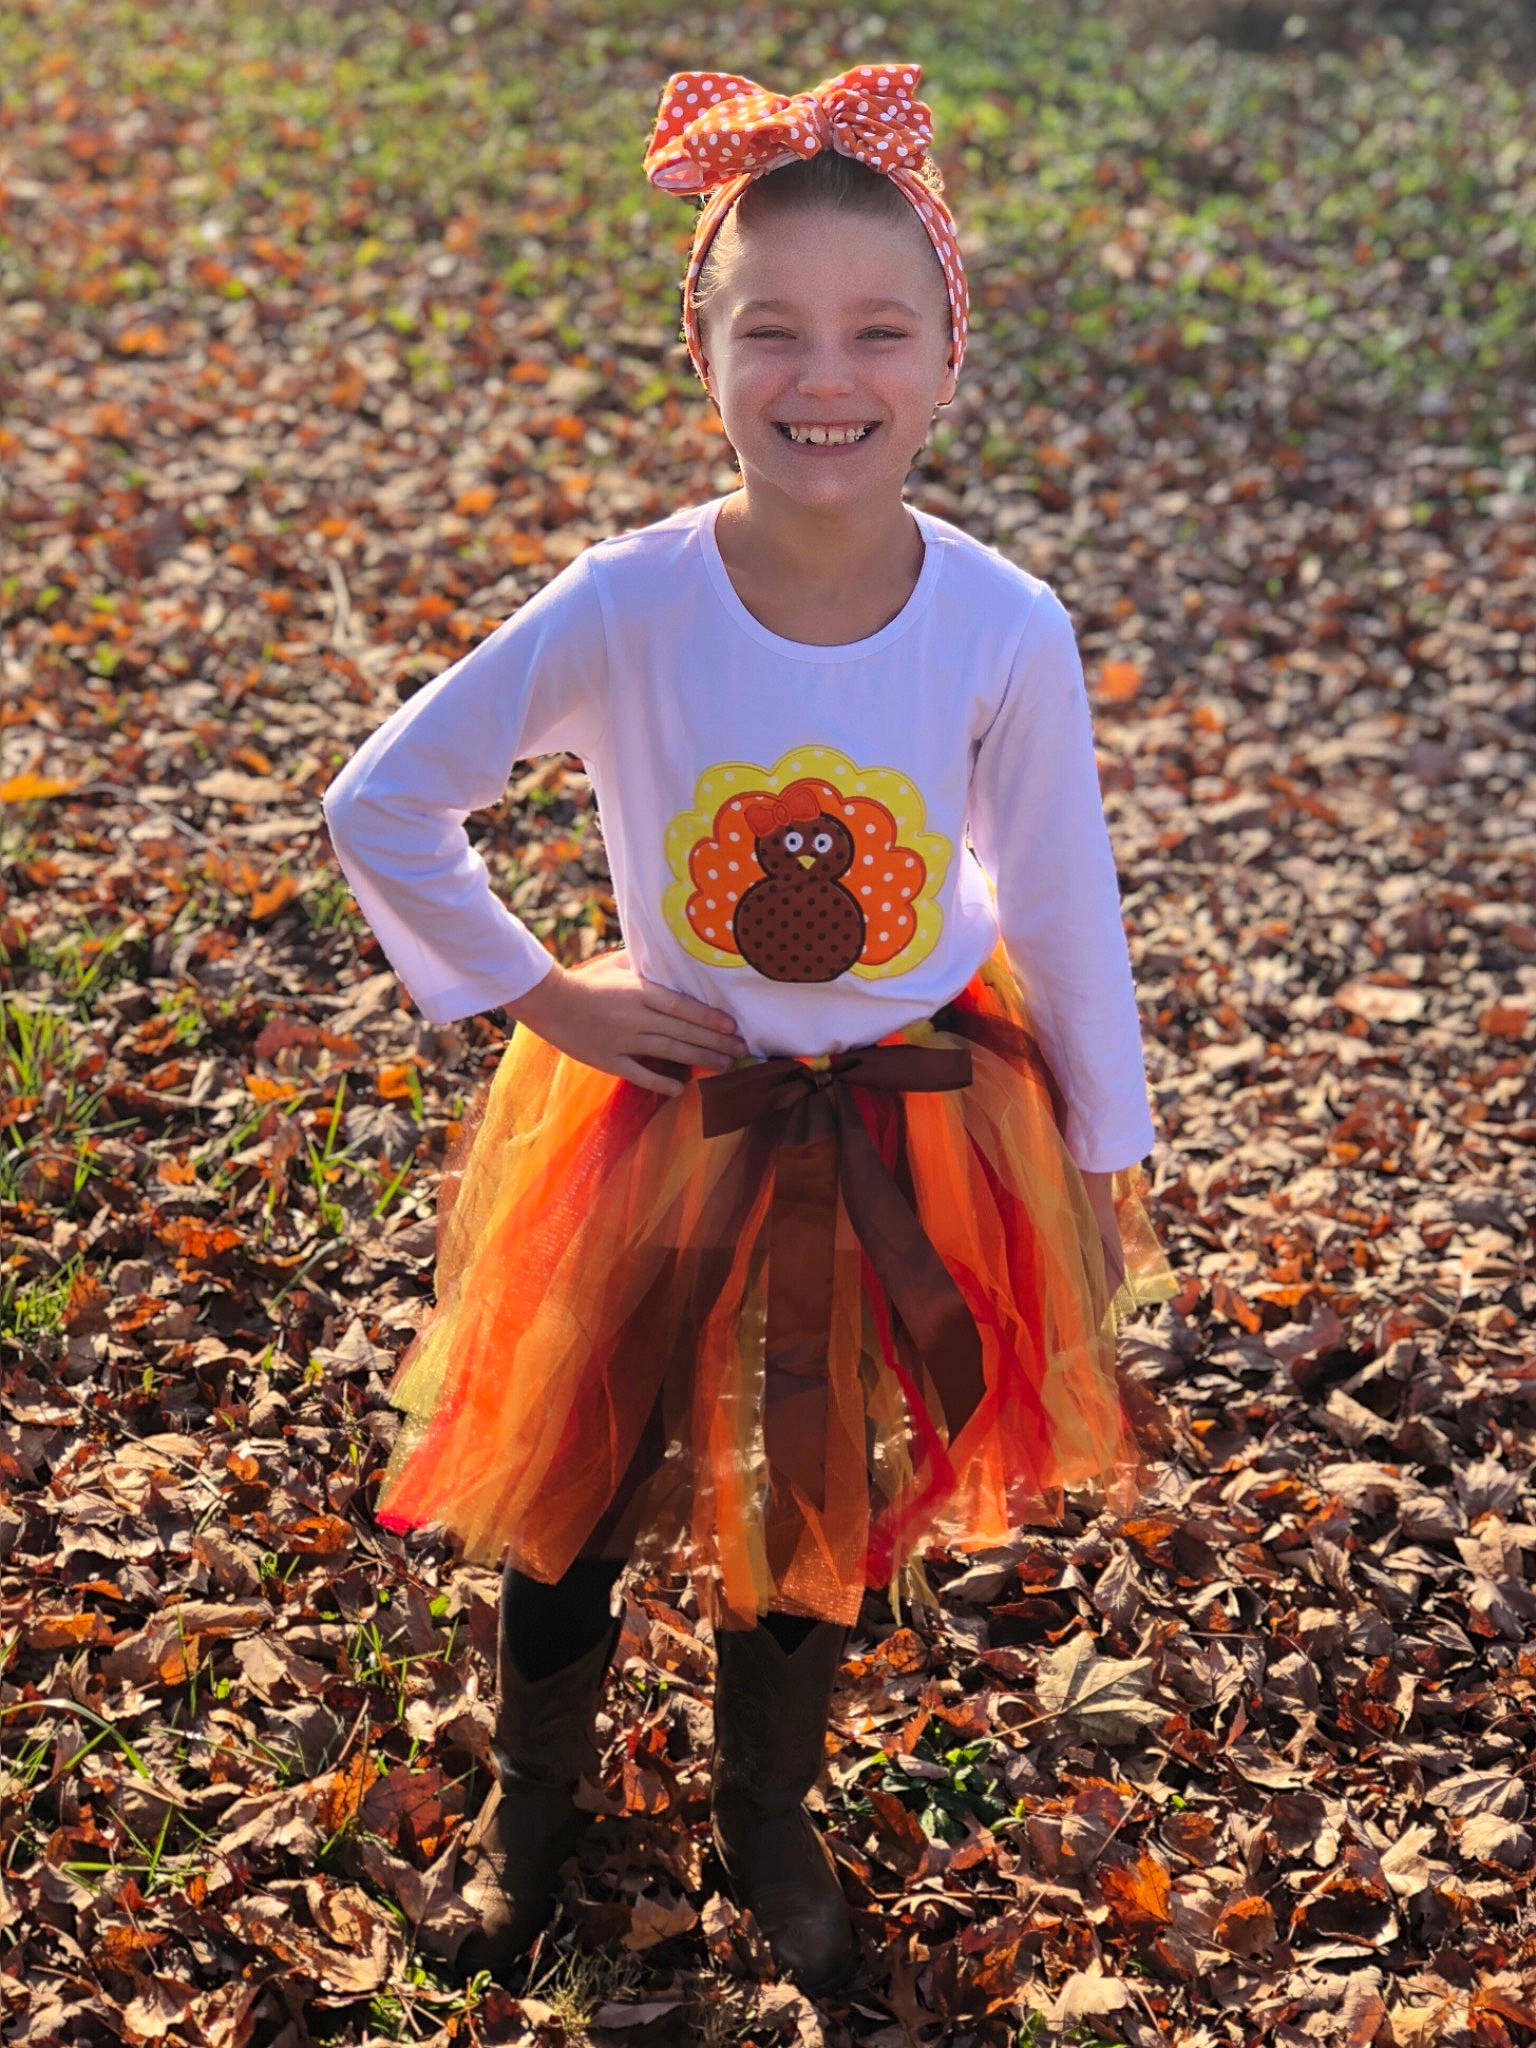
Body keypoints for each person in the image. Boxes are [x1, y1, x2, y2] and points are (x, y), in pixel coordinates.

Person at [320, 60, 1180, 1998]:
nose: (825, 375)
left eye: (880, 330)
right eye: (769, 328)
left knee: (817, 1480)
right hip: (665, 1113)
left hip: (909, 1113)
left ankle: (768, 1816)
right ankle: (534, 1809)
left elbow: (1060, 896)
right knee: (575, 1470)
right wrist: (546, 990)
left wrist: (1102, 1150)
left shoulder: (1002, 625)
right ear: (700, 355)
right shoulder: (629, 605)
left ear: (948, 358)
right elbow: (387, 798)